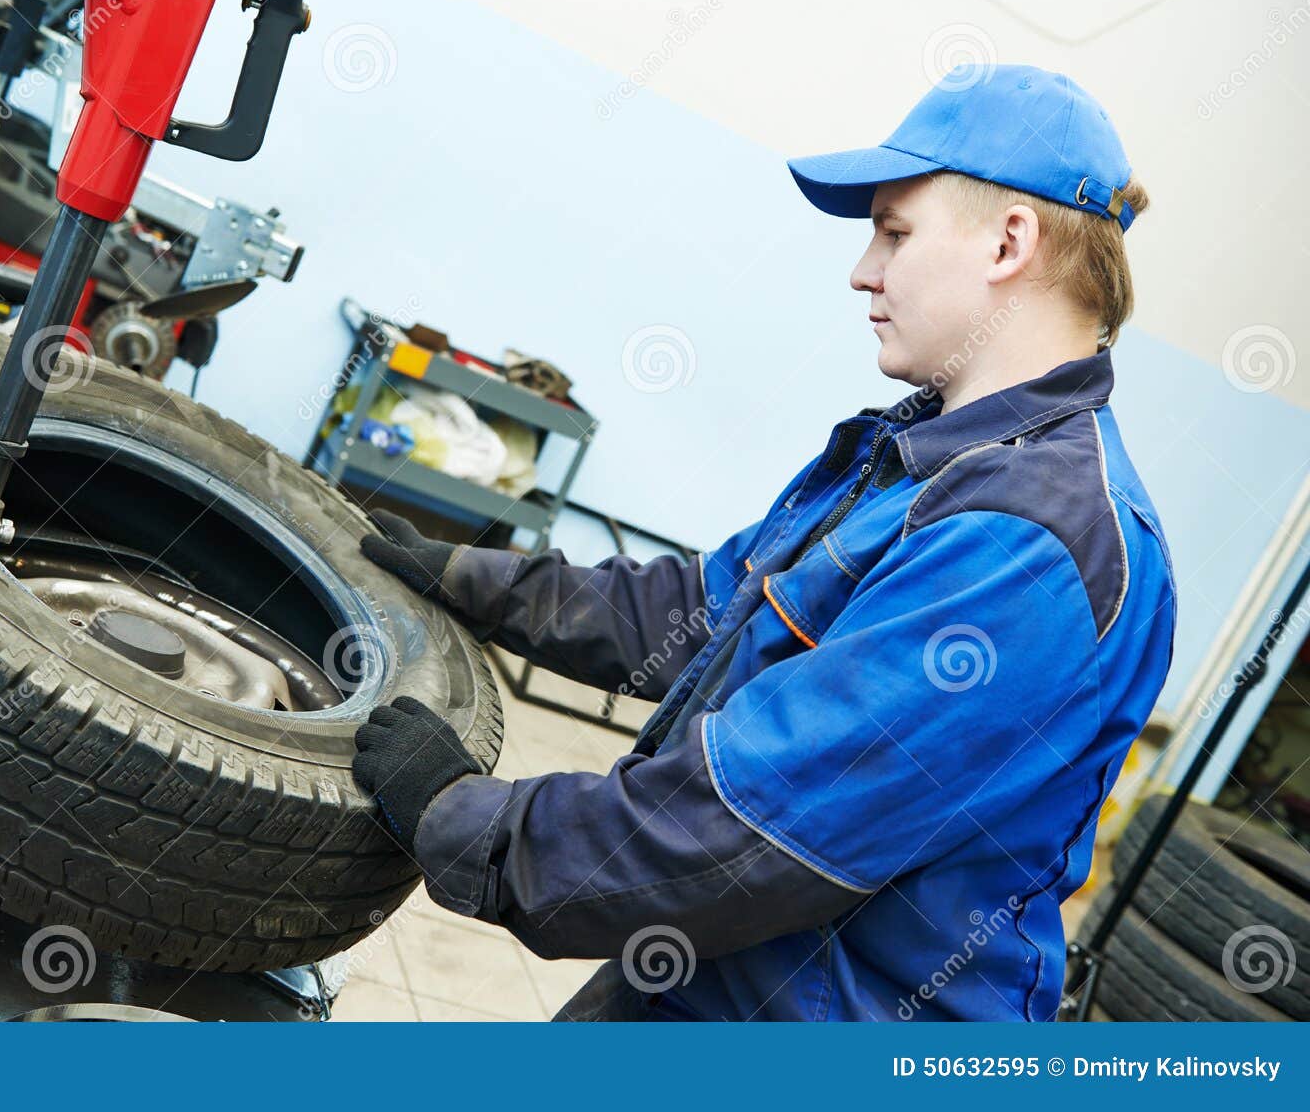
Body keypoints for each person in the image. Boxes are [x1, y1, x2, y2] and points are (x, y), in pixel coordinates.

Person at [350, 64, 1177, 1021]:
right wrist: (473, 577)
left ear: (1008, 241)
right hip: (710, 981)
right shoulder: (922, 460)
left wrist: (468, 820)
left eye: (894, 232)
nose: (863, 269)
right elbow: (705, 611)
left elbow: (749, 830)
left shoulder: (1030, 543)